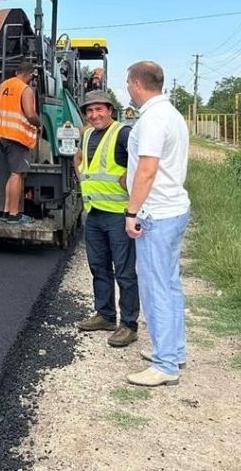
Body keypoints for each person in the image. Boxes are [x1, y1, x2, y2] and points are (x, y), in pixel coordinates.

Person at [123, 61, 191, 387]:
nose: (127, 88)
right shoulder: (172, 115)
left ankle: (165, 365)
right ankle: (174, 351)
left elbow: (147, 170)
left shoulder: (152, 119)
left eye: (127, 83)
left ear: (137, 84)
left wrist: (131, 212)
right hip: (173, 209)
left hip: (156, 213)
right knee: (170, 284)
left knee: (156, 288)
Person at [74, 91, 138, 347]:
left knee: (124, 272)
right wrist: (81, 179)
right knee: (99, 267)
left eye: (99, 109)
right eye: (89, 111)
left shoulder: (123, 133)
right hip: (95, 213)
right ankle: (105, 315)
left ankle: (129, 324)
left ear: (110, 110)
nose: (94, 115)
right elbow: (79, 159)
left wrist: (130, 183)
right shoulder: (87, 133)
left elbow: (143, 164)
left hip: (118, 215)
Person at [0, 60, 41, 225]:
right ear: (30, 74)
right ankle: (14, 215)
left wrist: (1, 117)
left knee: (14, 174)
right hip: (17, 138)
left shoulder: (5, 84)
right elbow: (30, 114)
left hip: (2, 136)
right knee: (17, 174)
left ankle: (7, 211)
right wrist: (39, 124)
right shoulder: (26, 90)